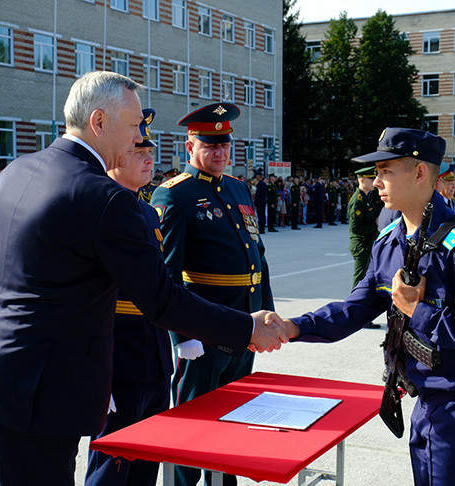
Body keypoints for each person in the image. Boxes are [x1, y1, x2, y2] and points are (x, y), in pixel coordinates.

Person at [0, 72, 287, 486]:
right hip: (37, 393)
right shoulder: (105, 198)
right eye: (135, 124)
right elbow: (160, 299)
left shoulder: (18, 170)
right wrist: (246, 326)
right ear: (99, 122)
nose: (141, 134)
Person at [279, 128, 455, 486]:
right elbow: (355, 308)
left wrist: (417, 311)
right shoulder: (389, 243)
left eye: (386, 171)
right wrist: (293, 327)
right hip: (426, 403)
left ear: (420, 173)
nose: (376, 182)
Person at [150, 102, 275, 486]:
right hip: (203, 328)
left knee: (233, 412)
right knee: (193, 419)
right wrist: (181, 337)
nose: (219, 153)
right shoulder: (173, 195)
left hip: (245, 323)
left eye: (224, 145)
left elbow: (258, 256)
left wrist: (267, 315)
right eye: (210, 145)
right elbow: (166, 275)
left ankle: (224, 482)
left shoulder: (238, 188)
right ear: (190, 148)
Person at [85, 109, 173, 486]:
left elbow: (162, 286)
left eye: (149, 150)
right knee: (111, 463)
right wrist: (96, 374)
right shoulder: (99, 208)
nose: (148, 158)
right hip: (117, 355)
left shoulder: (149, 213)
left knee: (145, 461)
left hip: (152, 354)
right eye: (138, 150)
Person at [348, 165, 381, 291]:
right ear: (362, 180)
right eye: (371, 179)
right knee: (359, 280)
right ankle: (352, 306)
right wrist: (375, 225)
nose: (375, 182)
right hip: (362, 245)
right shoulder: (358, 200)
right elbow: (355, 228)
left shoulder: (366, 197)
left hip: (368, 243)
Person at [254, 169, 267, 234]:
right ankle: (262, 229)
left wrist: (256, 203)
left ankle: (261, 229)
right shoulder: (264, 184)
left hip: (260, 202)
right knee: (263, 215)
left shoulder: (260, 184)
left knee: (260, 215)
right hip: (263, 201)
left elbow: (258, 195)